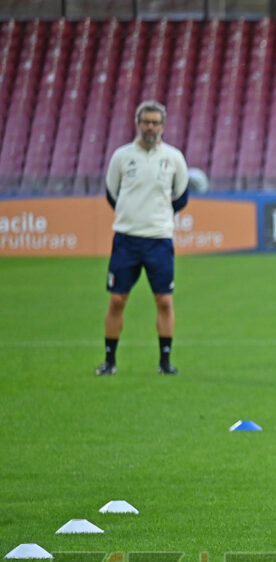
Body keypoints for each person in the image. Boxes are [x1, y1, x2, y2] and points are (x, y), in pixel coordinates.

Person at [96, 100, 190, 376]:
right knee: (117, 301)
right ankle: (110, 361)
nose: (150, 127)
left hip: (159, 240)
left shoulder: (173, 158)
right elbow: (112, 193)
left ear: (162, 126)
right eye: (146, 121)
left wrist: (157, 217)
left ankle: (164, 362)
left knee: (164, 301)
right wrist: (133, 217)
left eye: (155, 122)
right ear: (137, 124)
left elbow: (181, 196)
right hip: (126, 239)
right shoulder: (122, 157)